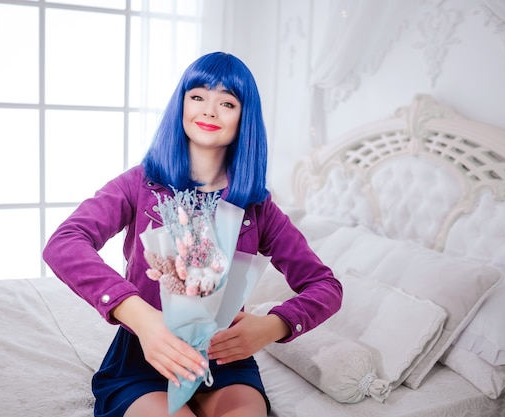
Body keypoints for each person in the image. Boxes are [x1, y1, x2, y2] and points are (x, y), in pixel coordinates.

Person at [43, 51, 343, 417]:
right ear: (181, 105)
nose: (210, 111)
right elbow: (64, 244)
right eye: (198, 96)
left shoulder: (257, 207)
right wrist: (139, 315)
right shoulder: (139, 184)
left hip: (226, 362)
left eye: (227, 103)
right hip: (146, 355)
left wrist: (273, 325)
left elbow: (326, 286)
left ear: (243, 119)